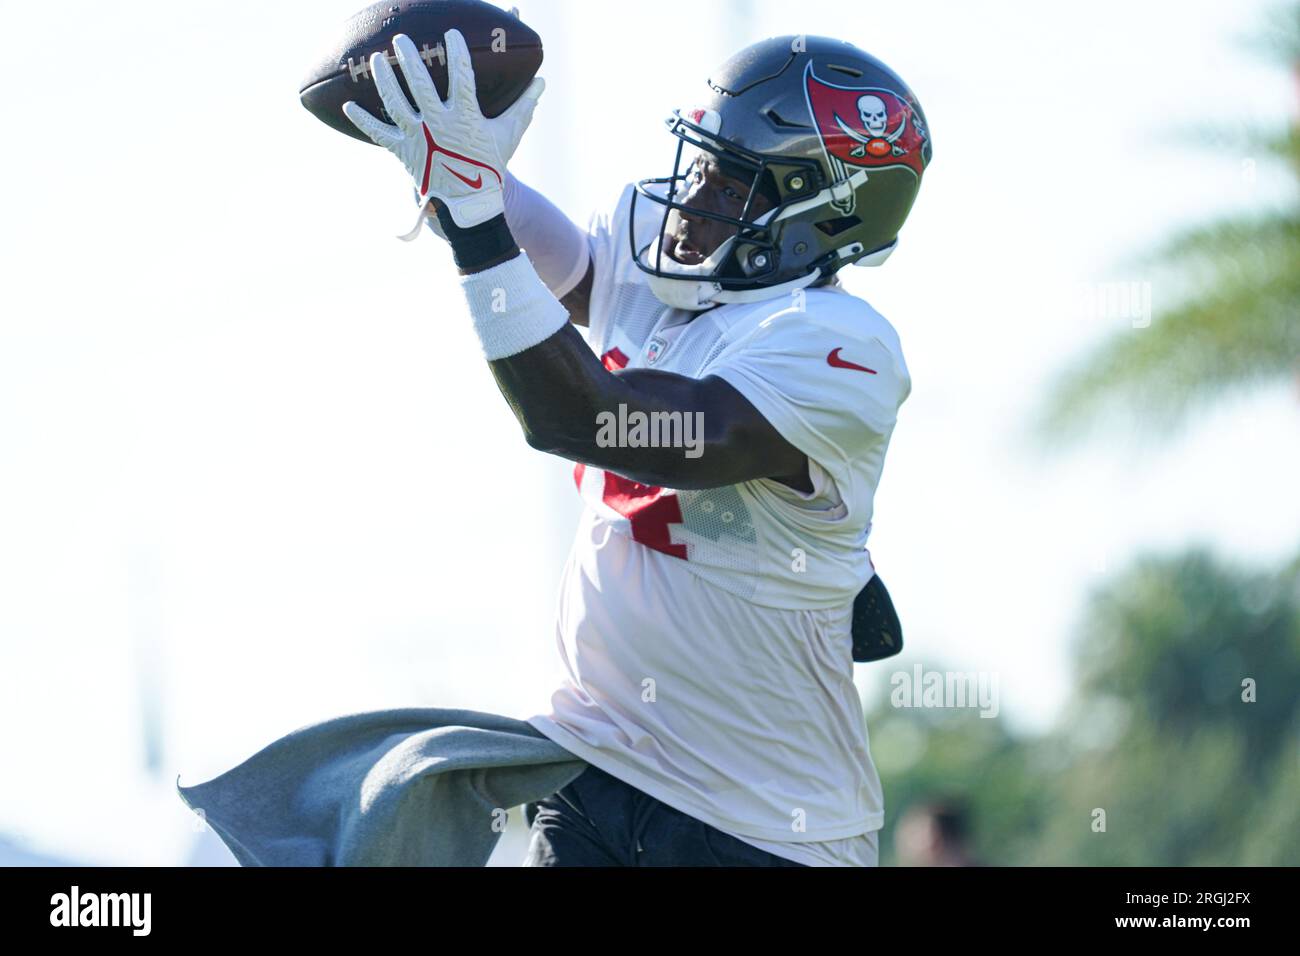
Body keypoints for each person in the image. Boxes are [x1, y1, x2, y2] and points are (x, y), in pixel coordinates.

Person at [342, 28, 933, 866]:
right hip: (593, 775)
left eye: (733, 182)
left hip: (762, 826)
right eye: (699, 164)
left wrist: (477, 217)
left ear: (820, 214)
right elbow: (545, 268)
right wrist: (456, 171)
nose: (693, 198)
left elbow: (596, 419)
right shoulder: (663, 269)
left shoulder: (837, 344)